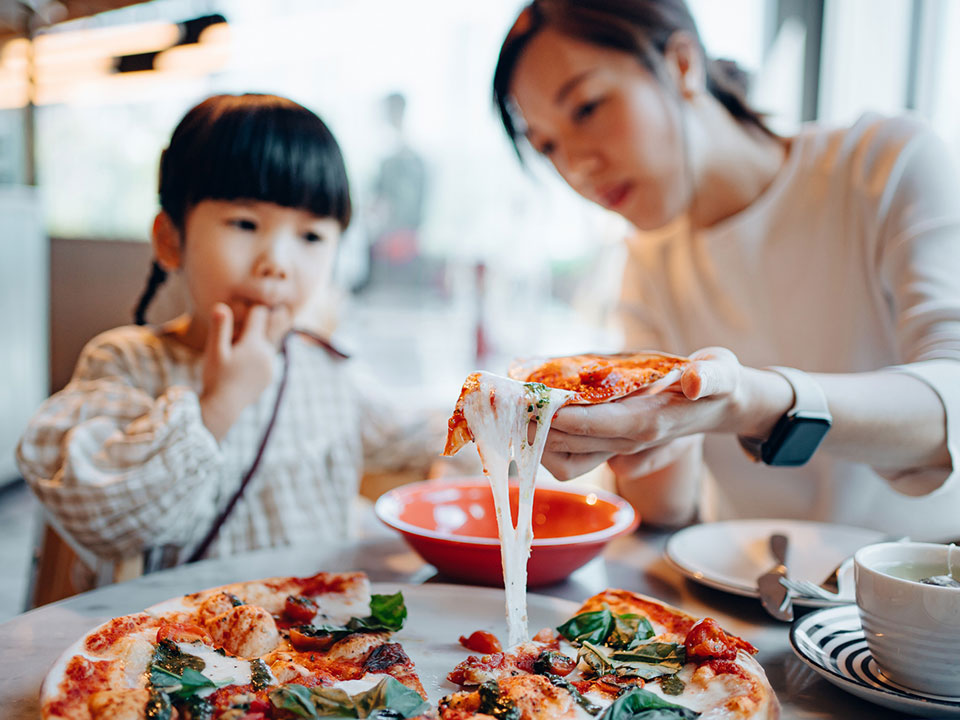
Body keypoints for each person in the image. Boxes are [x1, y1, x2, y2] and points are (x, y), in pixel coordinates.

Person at [493, 0, 960, 540]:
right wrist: (634, 434)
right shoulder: (649, 257)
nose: (576, 165)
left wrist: (745, 401)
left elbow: (953, 395)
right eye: (547, 145)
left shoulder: (884, 164)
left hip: (923, 592)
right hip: (744, 594)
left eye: (588, 107)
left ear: (682, 64)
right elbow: (666, 511)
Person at [17, 93, 448, 591]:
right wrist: (220, 404)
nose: (277, 262)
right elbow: (106, 517)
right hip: (182, 652)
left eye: (310, 237)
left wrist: (517, 421)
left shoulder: (325, 371)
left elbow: (413, 436)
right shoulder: (128, 364)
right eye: (245, 224)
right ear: (171, 240)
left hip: (314, 652)